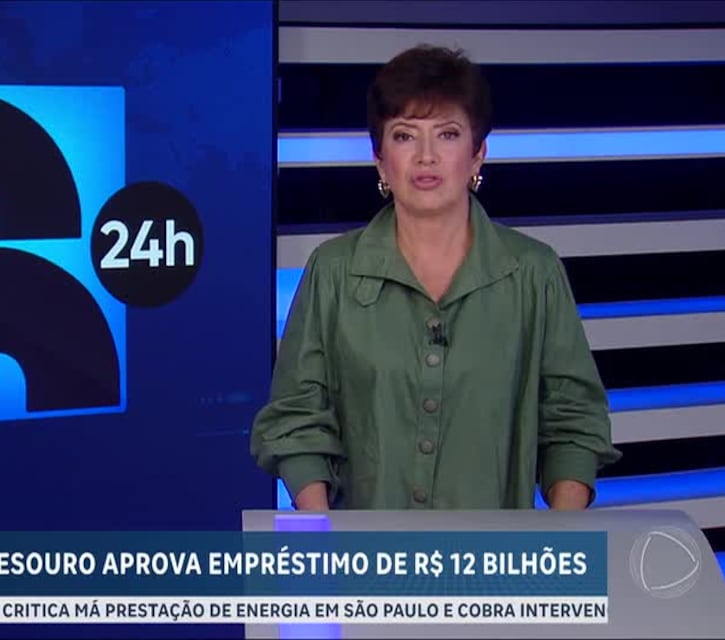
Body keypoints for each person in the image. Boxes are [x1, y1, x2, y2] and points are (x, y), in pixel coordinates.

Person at [251, 44, 621, 512]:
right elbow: (296, 419)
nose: (426, 156)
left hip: (496, 557)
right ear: (380, 159)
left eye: (447, 134)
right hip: (363, 554)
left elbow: (573, 423)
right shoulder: (333, 271)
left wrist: (560, 538)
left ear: (477, 154)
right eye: (405, 136)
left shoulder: (534, 273)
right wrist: (321, 536)